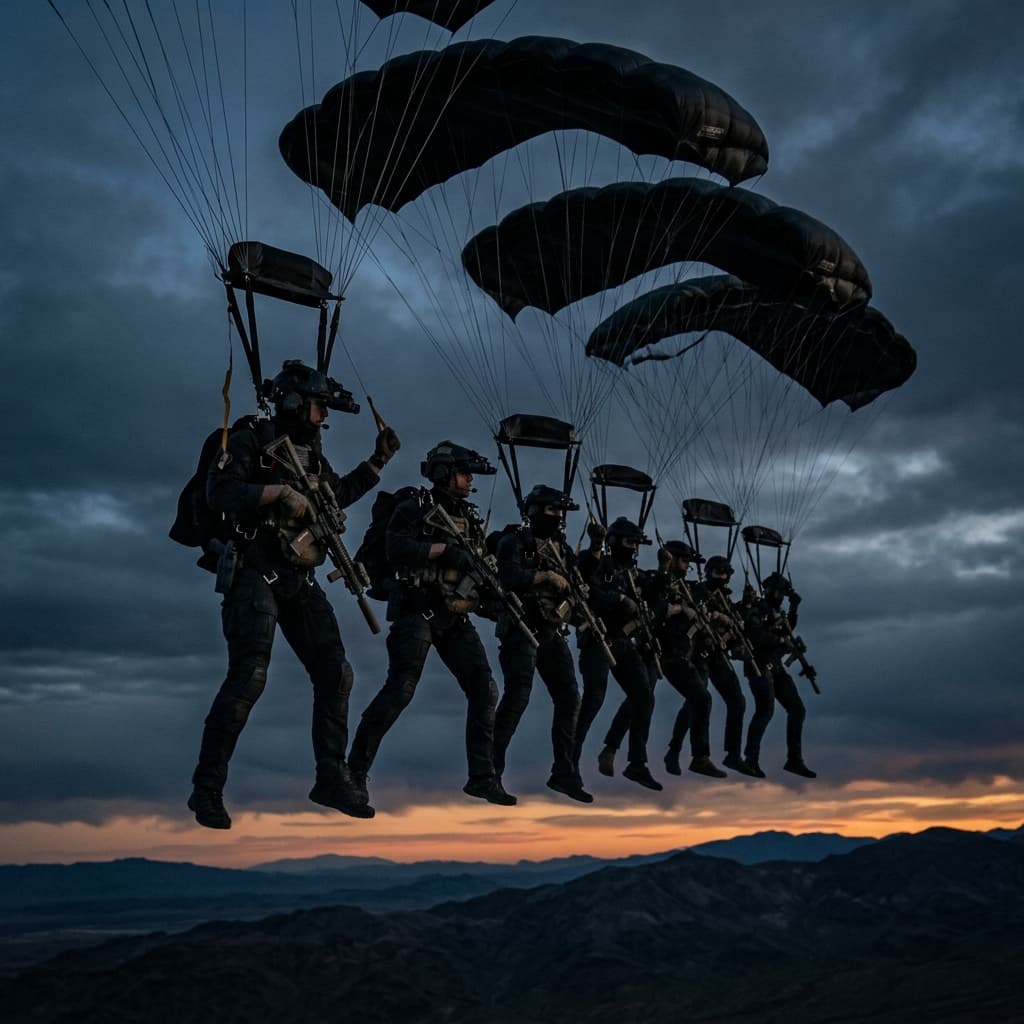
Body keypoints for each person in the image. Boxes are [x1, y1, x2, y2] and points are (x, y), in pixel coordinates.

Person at [188, 360, 400, 829]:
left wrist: (377, 463)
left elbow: (333, 495)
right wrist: (277, 494)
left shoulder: (311, 454)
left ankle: (331, 775)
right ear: (292, 401)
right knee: (250, 678)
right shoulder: (249, 438)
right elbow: (219, 493)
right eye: (318, 407)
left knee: (336, 673)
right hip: (254, 571)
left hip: (298, 577)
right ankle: (207, 789)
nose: (323, 417)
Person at [347, 441, 515, 809]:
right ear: (443, 474)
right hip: (417, 608)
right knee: (401, 689)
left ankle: (483, 777)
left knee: (485, 689)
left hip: (453, 615)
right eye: (462, 472)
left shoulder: (468, 519)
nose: (470, 479)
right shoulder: (414, 508)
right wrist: (443, 551)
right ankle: (354, 772)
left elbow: (478, 567)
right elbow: (396, 548)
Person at [492, 485, 591, 803]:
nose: (558, 517)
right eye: (551, 511)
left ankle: (565, 773)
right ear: (534, 512)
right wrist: (545, 576)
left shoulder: (562, 548)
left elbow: (575, 580)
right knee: (517, 697)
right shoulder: (514, 542)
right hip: (521, 629)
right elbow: (508, 578)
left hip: (552, 632)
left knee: (570, 698)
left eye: (560, 512)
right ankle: (489, 772)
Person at [602, 541, 727, 780]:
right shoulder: (655, 580)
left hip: (678, 654)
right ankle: (614, 751)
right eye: (683, 560)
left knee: (697, 699)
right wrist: (676, 609)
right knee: (639, 702)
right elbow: (648, 605)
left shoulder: (688, 589)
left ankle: (690, 756)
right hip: (657, 651)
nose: (686, 566)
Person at [578, 517, 661, 791]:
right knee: (594, 698)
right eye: (629, 542)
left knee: (644, 698)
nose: (634, 548)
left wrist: (665, 573)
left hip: (625, 643)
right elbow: (589, 592)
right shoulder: (602, 564)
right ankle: (569, 758)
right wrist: (619, 600)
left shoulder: (634, 574)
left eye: (637, 544)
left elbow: (656, 598)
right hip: (599, 639)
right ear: (614, 542)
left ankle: (636, 763)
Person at [664, 555, 754, 777]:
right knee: (697, 702)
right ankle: (678, 751)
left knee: (737, 700)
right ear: (710, 572)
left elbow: (734, 627)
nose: (723, 578)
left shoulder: (725, 599)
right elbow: (690, 615)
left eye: (726, 574)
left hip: (717, 653)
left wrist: (743, 610)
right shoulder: (697, 592)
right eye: (719, 573)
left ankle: (732, 754)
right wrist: (714, 616)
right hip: (699, 654)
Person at [741, 572, 816, 779]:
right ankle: (751, 759)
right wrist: (781, 642)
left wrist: (794, 609)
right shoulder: (756, 610)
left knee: (797, 709)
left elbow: (787, 630)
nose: (781, 597)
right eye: (779, 593)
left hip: (775, 666)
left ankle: (794, 759)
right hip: (759, 665)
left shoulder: (776, 611)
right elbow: (757, 636)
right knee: (765, 710)